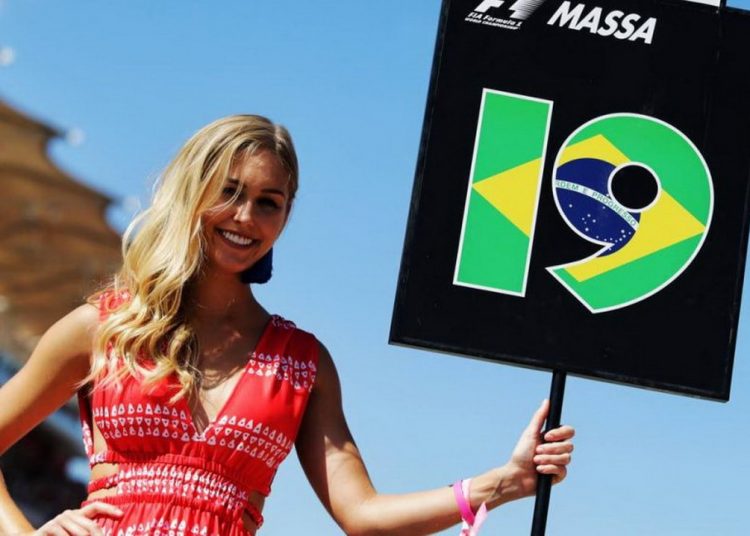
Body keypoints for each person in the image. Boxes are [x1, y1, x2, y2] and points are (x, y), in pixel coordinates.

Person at [0, 115, 575, 535]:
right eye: (229, 192)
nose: (245, 217)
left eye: (268, 202)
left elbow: (362, 515)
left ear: (286, 214)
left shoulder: (302, 364)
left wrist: (505, 482)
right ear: (191, 193)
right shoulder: (104, 328)